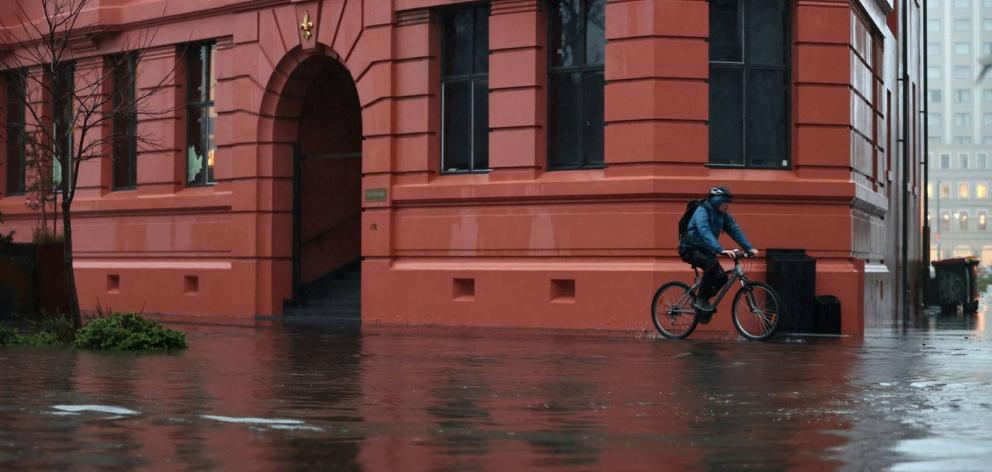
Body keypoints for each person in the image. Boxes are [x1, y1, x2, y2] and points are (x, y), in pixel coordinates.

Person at [678, 186, 759, 320]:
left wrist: (749, 248)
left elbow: (734, 229)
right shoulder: (701, 211)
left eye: (729, 202)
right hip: (690, 249)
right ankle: (701, 300)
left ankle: (701, 305)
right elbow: (705, 232)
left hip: (706, 250)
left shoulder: (723, 215)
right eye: (725, 201)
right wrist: (720, 249)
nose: (728, 205)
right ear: (717, 201)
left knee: (722, 278)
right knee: (711, 264)